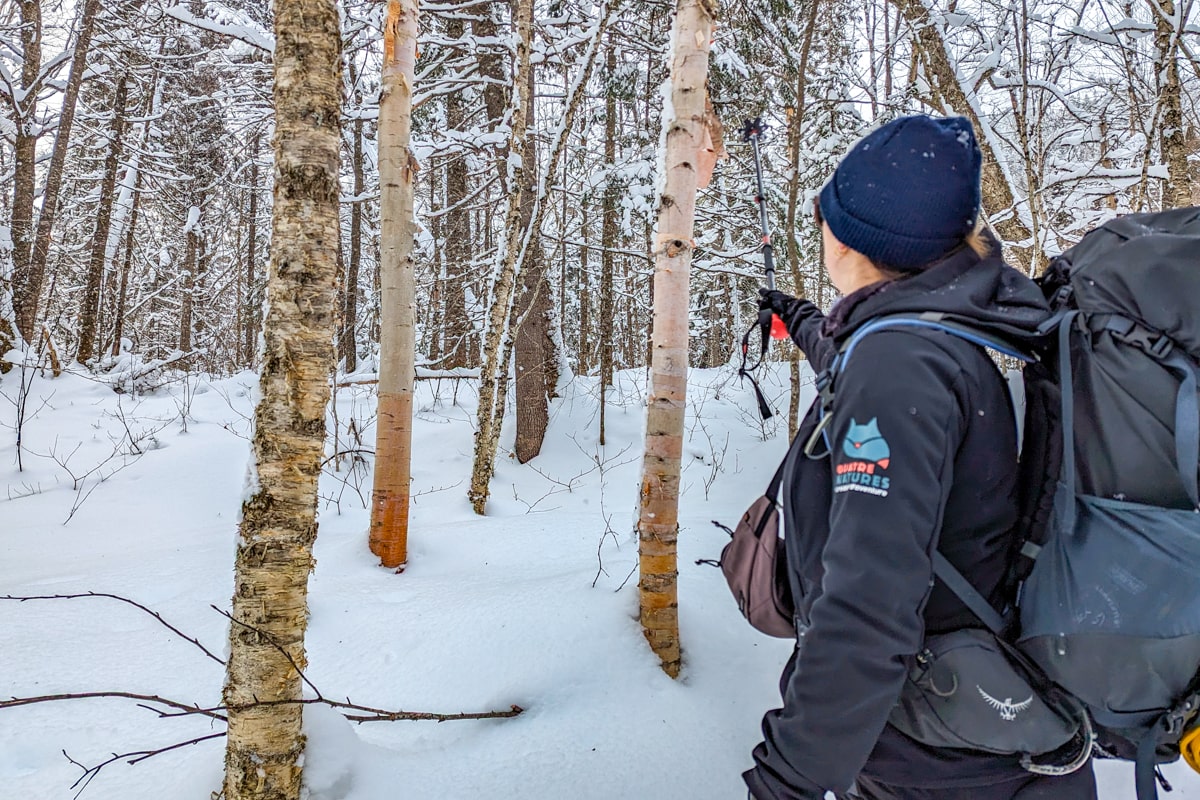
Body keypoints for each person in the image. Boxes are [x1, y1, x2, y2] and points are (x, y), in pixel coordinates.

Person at [743, 115, 1098, 800]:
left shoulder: (898, 363)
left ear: (851, 238)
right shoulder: (970, 320)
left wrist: (785, 779)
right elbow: (875, 363)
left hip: (936, 754)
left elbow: (867, 609)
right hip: (1005, 721)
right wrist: (804, 320)